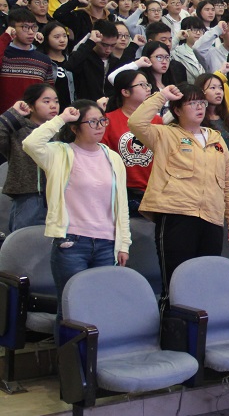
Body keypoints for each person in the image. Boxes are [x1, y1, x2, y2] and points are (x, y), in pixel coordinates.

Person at [22, 101, 130, 322]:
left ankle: (99, 347)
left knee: (100, 308)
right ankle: (68, 347)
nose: (99, 126)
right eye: (92, 122)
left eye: (102, 121)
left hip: (107, 243)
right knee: (72, 310)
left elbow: (122, 204)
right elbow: (30, 143)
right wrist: (61, 118)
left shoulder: (113, 157)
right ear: (74, 128)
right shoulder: (59, 153)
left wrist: (124, 243)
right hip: (72, 243)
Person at [128, 84, 229, 294]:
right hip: (176, 214)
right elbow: (136, 122)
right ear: (177, 110)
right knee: (176, 281)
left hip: (212, 217)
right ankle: (172, 316)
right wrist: (162, 96)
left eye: (202, 102)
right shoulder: (165, 135)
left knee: (206, 281)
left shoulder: (216, 139)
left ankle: (204, 315)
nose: (199, 107)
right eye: (192, 103)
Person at [0, 85, 60, 231]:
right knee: (26, 240)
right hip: (28, 198)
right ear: (31, 106)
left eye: (56, 101)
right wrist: (13, 114)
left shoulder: (60, 131)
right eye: (46, 101)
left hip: (58, 198)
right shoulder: (18, 130)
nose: (53, 105)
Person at [101, 70, 160, 216]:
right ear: (125, 92)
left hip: (153, 191)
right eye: (142, 85)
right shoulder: (108, 120)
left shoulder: (157, 120)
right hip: (122, 191)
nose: (148, 88)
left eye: (148, 84)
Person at [195, 73, 229, 197]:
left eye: (220, 88)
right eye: (212, 88)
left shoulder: (227, 118)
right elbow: (167, 119)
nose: (218, 92)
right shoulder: (194, 118)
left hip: (228, 180)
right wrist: (192, 100)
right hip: (204, 182)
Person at [1, 9, 56, 114]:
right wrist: (5, 37)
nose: (31, 32)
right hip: (5, 118)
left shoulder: (43, 60)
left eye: (34, 27)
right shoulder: (3, 54)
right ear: (12, 29)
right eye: (25, 27)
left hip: (34, 118)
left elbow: (49, 92)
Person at [64, 20, 129, 102]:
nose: (108, 50)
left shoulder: (115, 62)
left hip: (109, 106)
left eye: (113, 45)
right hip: (86, 106)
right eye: (104, 45)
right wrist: (90, 42)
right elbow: (69, 66)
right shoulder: (83, 58)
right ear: (96, 40)